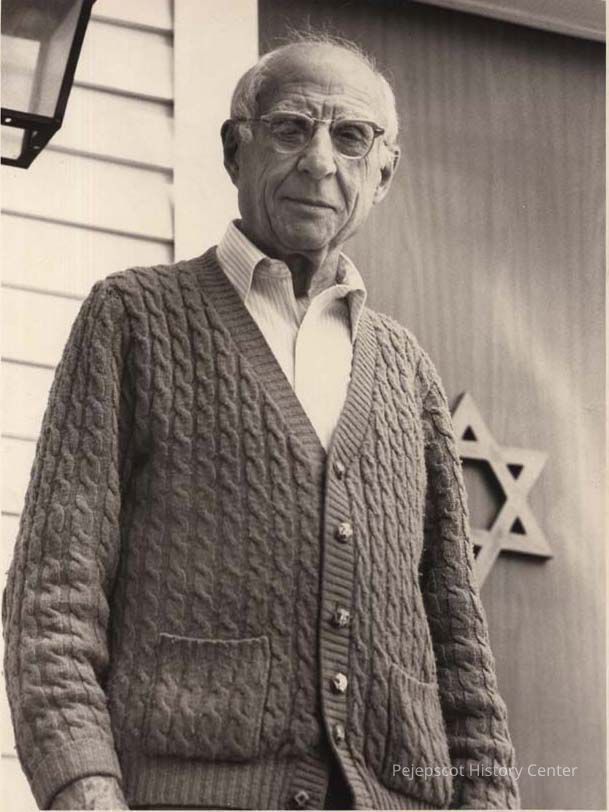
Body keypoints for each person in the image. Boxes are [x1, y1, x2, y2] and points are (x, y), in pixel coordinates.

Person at [3, 34, 521, 811]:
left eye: (351, 137)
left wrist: (491, 798)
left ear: (382, 175)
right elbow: (53, 598)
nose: (319, 161)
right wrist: (83, 786)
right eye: (290, 128)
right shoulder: (133, 318)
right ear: (233, 149)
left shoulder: (407, 369)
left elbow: (457, 638)